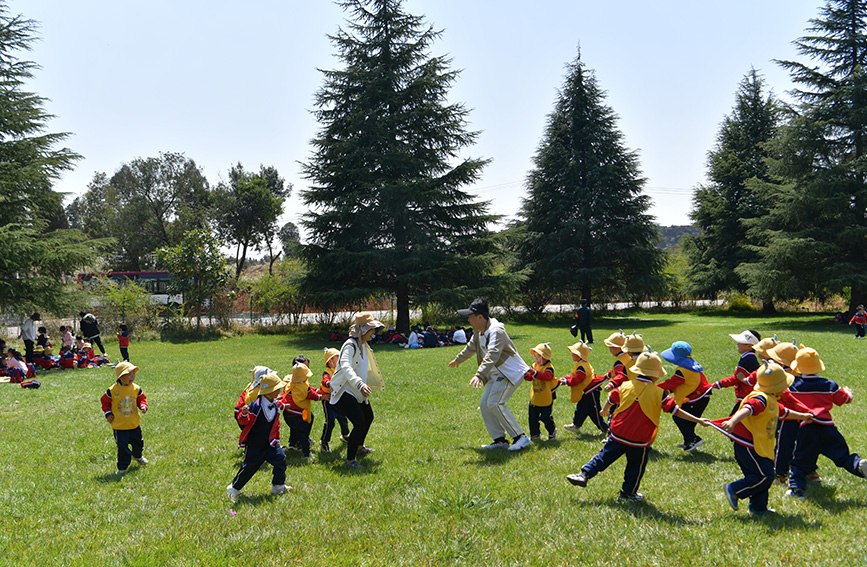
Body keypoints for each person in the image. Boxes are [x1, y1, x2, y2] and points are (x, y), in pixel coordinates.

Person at [566, 351, 709, 502]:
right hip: (639, 439)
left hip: (618, 432)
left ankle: (584, 474)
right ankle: (628, 494)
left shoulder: (626, 386)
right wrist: (698, 420)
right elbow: (676, 411)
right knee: (635, 467)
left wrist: (605, 409)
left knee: (604, 456)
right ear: (656, 375)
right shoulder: (659, 393)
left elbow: (612, 396)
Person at [707, 362, 813, 516]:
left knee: (761, 475)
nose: (786, 388)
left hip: (760, 445)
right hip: (748, 445)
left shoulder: (771, 400)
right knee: (765, 476)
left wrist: (802, 416)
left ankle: (758, 508)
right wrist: (732, 421)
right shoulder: (760, 399)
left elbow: (783, 412)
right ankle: (734, 489)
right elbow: (747, 409)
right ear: (776, 386)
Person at [448, 298, 532, 452]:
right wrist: (458, 359)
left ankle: (520, 437)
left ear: (480, 317)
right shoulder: (478, 331)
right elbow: (471, 347)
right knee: (485, 404)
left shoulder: (496, 331)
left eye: (470, 316)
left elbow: (493, 353)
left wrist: (479, 374)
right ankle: (500, 440)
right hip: (495, 374)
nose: (468, 319)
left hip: (510, 373)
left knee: (495, 403)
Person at [784, 347, 867, 499]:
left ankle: (797, 491)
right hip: (828, 428)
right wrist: (848, 392)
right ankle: (859, 465)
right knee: (842, 456)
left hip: (807, 428)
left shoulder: (793, 386)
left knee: (799, 462)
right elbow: (845, 399)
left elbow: (783, 400)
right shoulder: (830, 385)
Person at [330, 312, 386, 468]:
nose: (374, 333)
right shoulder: (349, 345)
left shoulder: (363, 344)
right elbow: (346, 367)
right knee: (359, 423)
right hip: (344, 390)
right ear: (362, 330)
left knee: (368, 417)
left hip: (356, 389)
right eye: (371, 329)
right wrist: (359, 384)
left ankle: (359, 447)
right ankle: (349, 461)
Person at [227, 372, 290, 500]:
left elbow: (278, 405)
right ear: (267, 392)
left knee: (281, 459)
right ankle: (234, 488)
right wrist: (244, 414)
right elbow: (243, 421)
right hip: (256, 444)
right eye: (276, 388)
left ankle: (278, 486)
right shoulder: (255, 406)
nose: (279, 390)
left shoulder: (274, 402)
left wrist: (285, 405)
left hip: (271, 443)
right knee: (249, 467)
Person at [658, 341, 713, 452]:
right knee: (688, 421)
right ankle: (689, 441)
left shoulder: (683, 370)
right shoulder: (692, 365)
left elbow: (672, 382)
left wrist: (654, 388)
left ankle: (693, 439)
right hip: (702, 397)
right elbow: (682, 384)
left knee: (678, 416)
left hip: (696, 398)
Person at [100, 361, 149, 476]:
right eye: (129, 374)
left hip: (133, 424)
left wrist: (143, 405)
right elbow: (105, 402)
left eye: (133, 374)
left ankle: (137, 456)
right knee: (122, 448)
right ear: (121, 377)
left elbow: (141, 398)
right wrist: (108, 413)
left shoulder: (136, 388)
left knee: (138, 444)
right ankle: (122, 467)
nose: (132, 376)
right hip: (119, 426)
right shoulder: (112, 391)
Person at [711, 330, 762, 415]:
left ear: (749, 346)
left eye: (740, 342)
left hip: (745, 397)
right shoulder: (748, 358)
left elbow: (736, 378)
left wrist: (719, 384)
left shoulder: (747, 360)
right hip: (746, 395)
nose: (737, 344)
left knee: (731, 421)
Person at [562, 341, 608, 435]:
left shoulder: (582, 367)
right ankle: (576, 425)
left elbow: (577, 380)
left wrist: (567, 382)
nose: (571, 354)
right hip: (587, 392)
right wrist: (566, 378)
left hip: (591, 393)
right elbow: (573, 375)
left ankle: (605, 428)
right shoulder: (581, 364)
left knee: (594, 412)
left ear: (579, 355)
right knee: (581, 408)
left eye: (573, 353)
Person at [281, 362, 323, 459]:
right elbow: (313, 396)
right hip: (297, 414)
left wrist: (315, 389)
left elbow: (308, 388)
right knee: (303, 433)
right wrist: (323, 396)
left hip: (288, 413)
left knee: (296, 428)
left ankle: (293, 444)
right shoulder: (303, 387)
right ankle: (306, 453)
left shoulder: (291, 383)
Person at [523, 343, 558, 441]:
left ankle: (552, 430)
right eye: (535, 357)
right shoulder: (534, 366)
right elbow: (530, 378)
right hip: (535, 398)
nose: (536, 359)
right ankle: (535, 435)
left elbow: (547, 377)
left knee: (545, 417)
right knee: (532, 418)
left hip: (546, 398)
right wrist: (526, 375)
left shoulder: (549, 368)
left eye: (539, 357)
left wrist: (534, 373)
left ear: (545, 357)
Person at [319, 347, 350, 453]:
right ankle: (324, 441)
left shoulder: (341, 371)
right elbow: (325, 381)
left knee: (343, 419)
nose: (339, 359)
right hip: (328, 401)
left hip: (339, 400)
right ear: (330, 361)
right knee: (330, 422)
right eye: (337, 358)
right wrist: (329, 383)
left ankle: (345, 436)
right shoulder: (327, 372)